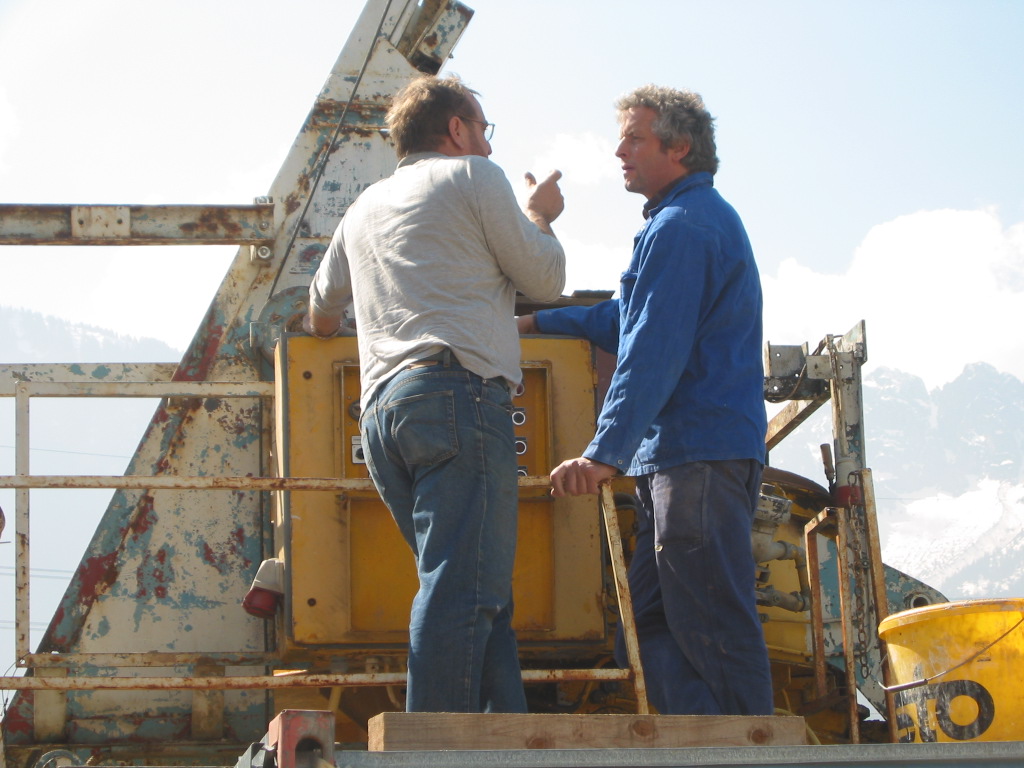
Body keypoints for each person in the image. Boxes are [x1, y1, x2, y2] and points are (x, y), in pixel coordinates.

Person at [304, 74, 566, 713]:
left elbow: (320, 317)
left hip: (382, 415)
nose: (488, 144)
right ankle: (432, 748)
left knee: (478, 590)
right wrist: (540, 216)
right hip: (459, 398)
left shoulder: (362, 208)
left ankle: (507, 744)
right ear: (455, 129)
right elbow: (546, 281)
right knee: (462, 592)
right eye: (482, 129)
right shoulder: (476, 177)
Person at [517, 85, 773, 716]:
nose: (619, 151)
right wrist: (537, 324)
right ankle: (696, 745)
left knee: (710, 622)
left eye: (634, 138)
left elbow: (652, 348)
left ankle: (753, 750)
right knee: (651, 624)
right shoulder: (677, 223)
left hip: (698, 454)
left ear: (678, 147)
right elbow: (626, 318)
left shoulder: (684, 228)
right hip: (677, 457)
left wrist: (603, 453)